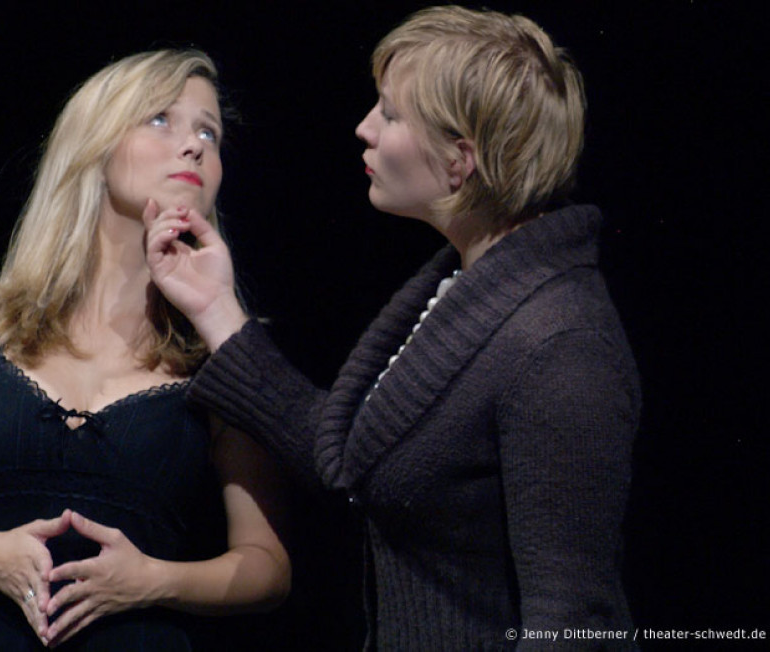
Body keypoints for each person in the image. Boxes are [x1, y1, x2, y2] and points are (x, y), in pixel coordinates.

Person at [145, 6, 640, 651]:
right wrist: (214, 308)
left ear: (461, 160)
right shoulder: (464, 288)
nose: (364, 128)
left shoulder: (559, 343)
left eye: (391, 114)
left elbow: (574, 625)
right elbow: (354, 461)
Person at [0, 49, 290, 650]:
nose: (195, 144)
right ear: (95, 141)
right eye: (161, 119)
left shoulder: (223, 353)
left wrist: (154, 581)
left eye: (209, 131)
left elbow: (267, 566)